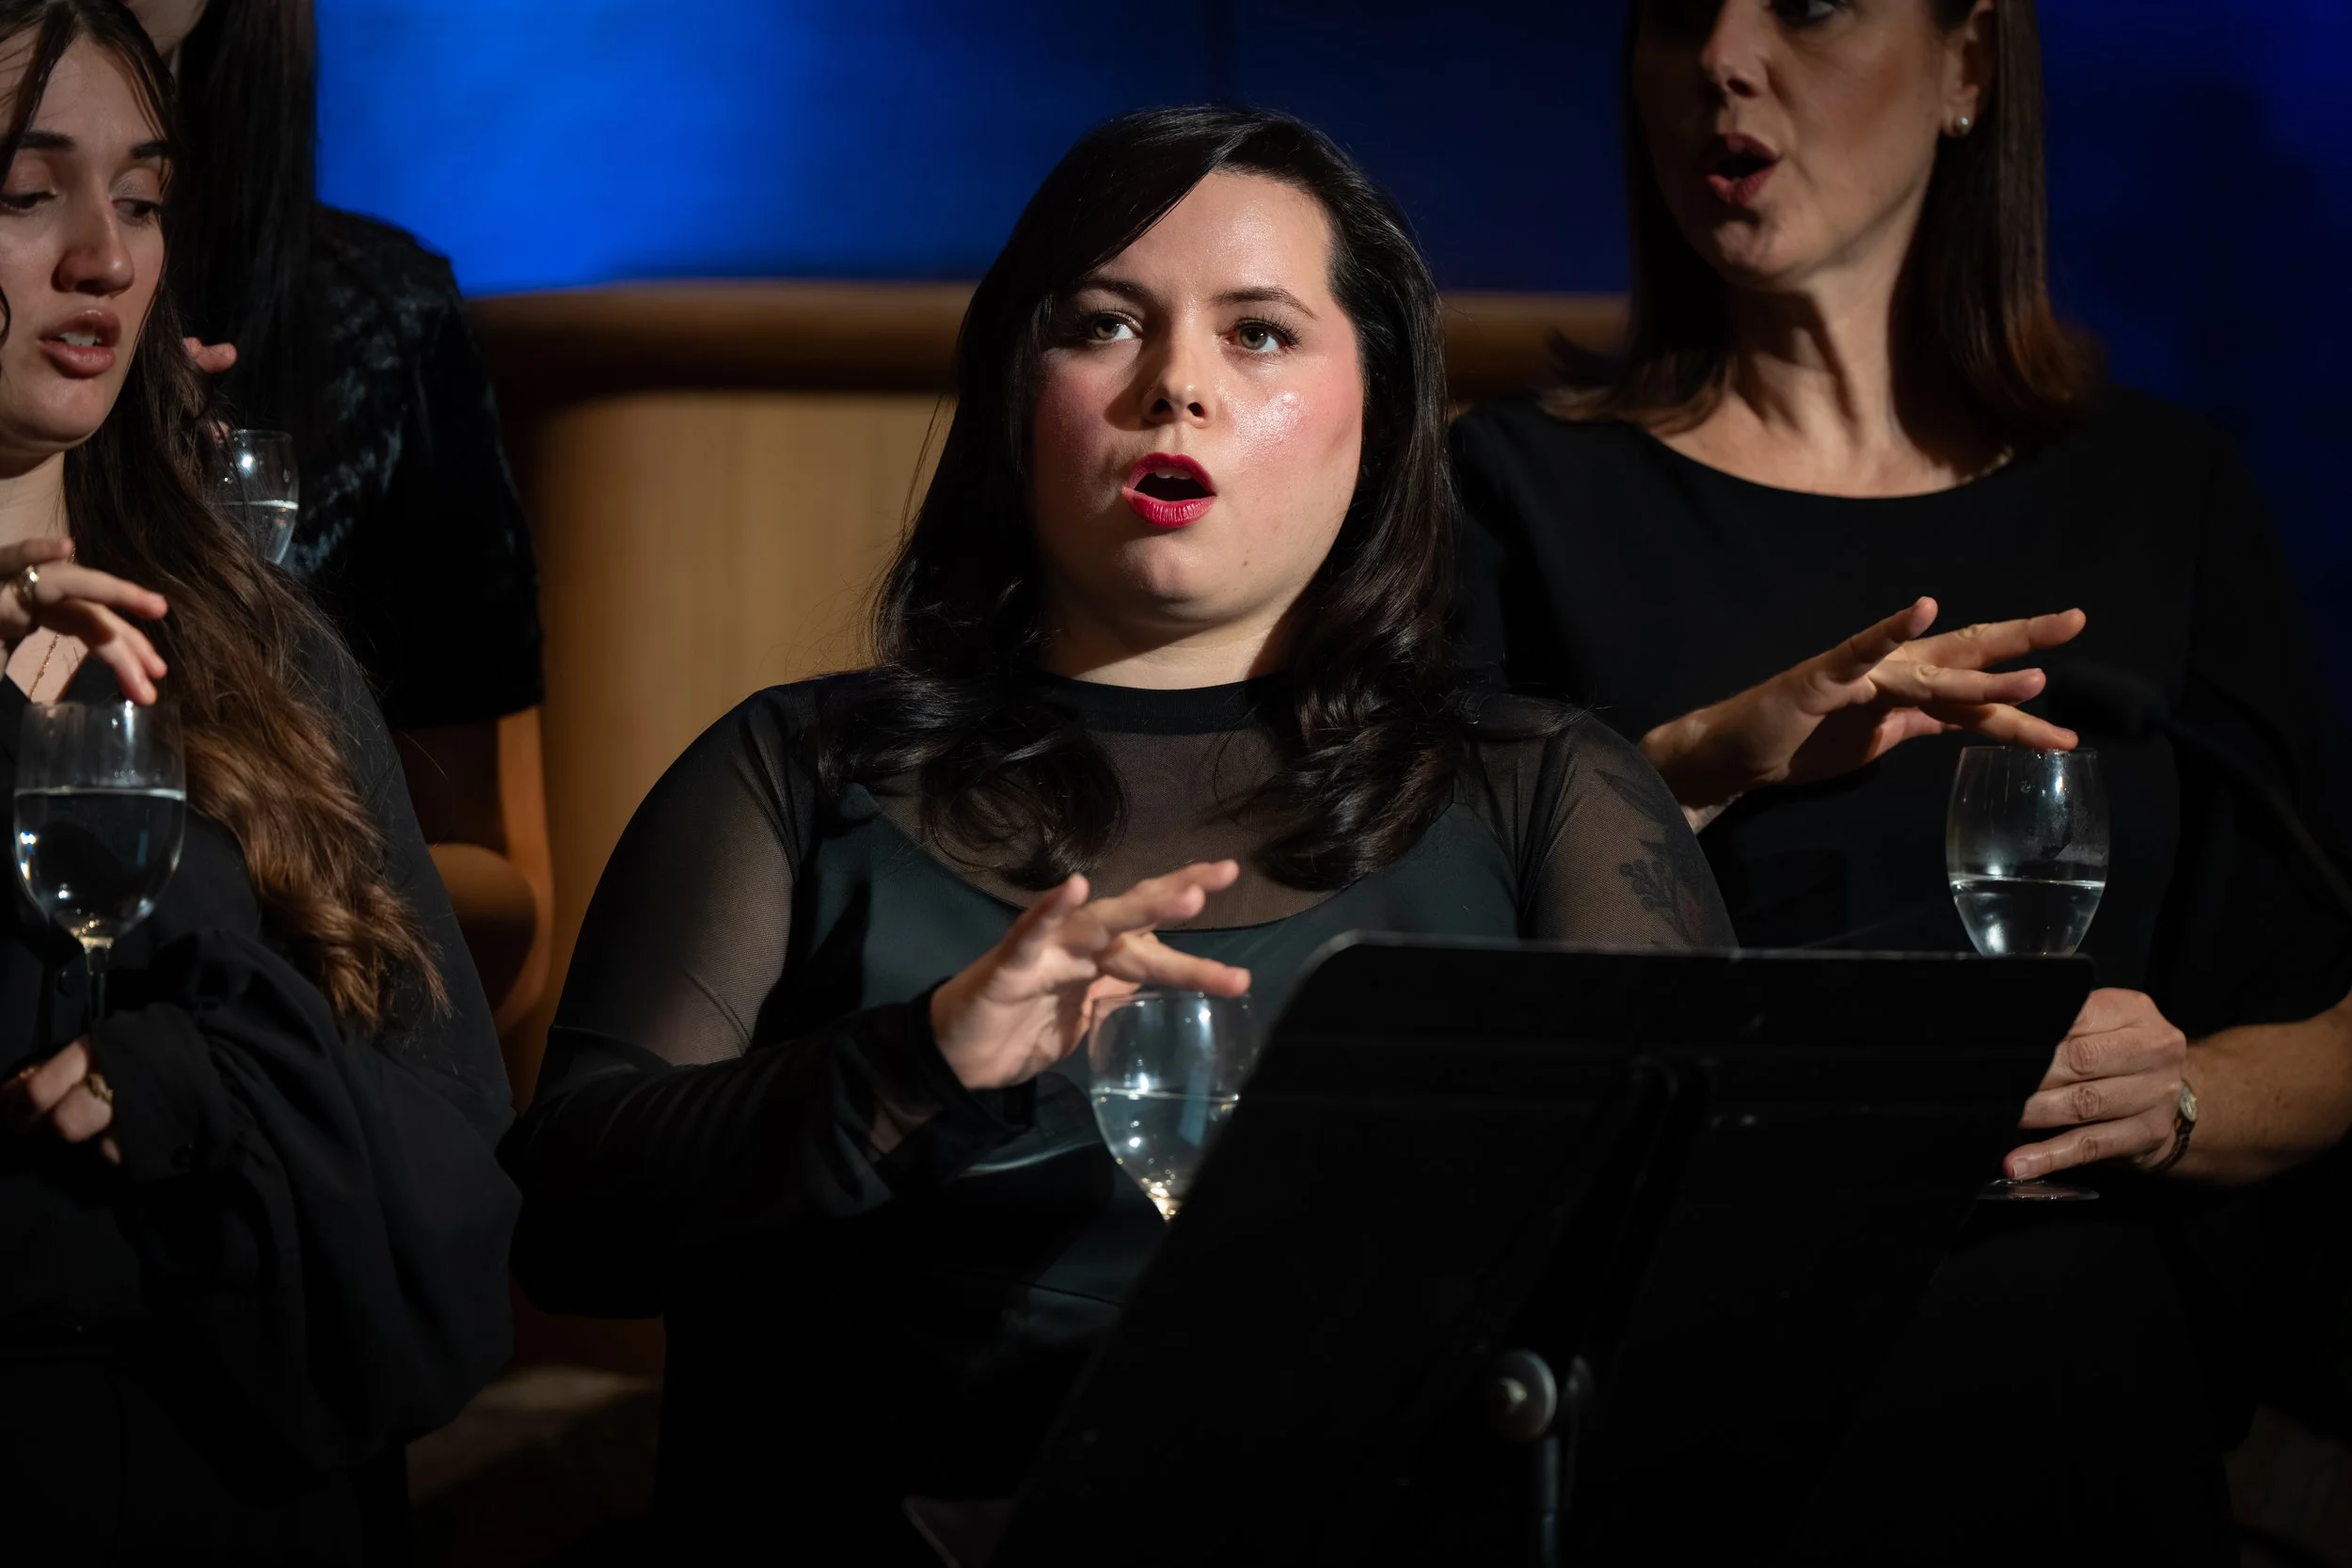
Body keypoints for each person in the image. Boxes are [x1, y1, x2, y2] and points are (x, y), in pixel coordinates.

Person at [501, 104, 1733, 1558]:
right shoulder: (797, 767)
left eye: (1261, 333)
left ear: (1382, 410)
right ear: (1017, 390)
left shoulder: (1544, 791)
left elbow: (1718, 1283)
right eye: (1104, 323)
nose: (1176, 390)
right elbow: (573, 1225)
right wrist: (923, 1058)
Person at [1453, 0, 2352, 1559]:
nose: (1725, 59)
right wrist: (1690, 767)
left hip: (2088, 1440)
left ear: (1969, 68)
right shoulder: (1515, 495)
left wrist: (2182, 1096)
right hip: (1679, 1457)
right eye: (1675, 17)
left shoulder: (2166, 495)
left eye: (1807, 6)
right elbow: (1411, 989)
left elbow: (2331, 1015)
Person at [0, 3, 516, 1560]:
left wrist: (207, 1092)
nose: (104, 256)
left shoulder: (255, 653)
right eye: (26, 196)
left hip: (237, 1487)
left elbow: (455, 1150)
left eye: (142, 200)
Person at [124, 0, 545, 1002]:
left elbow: (501, 888)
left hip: (272, 1030)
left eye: (133, 204)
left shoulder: (378, 321)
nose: (97, 263)